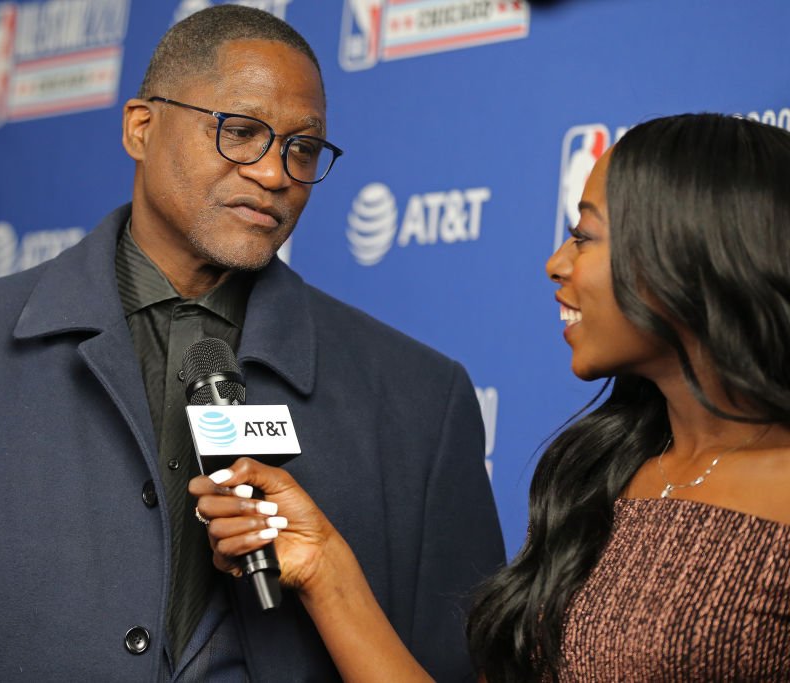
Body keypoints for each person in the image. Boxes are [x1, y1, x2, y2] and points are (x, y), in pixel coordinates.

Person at [0, 6, 504, 681]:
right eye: (240, 131)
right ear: (141, 127)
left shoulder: (421, 398)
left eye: (303, 148)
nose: (274, 174)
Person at [193, 113, 790, 682]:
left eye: (585, 236)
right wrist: (323, 565)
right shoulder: (597, 476)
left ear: (693, 256)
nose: (557, 263)